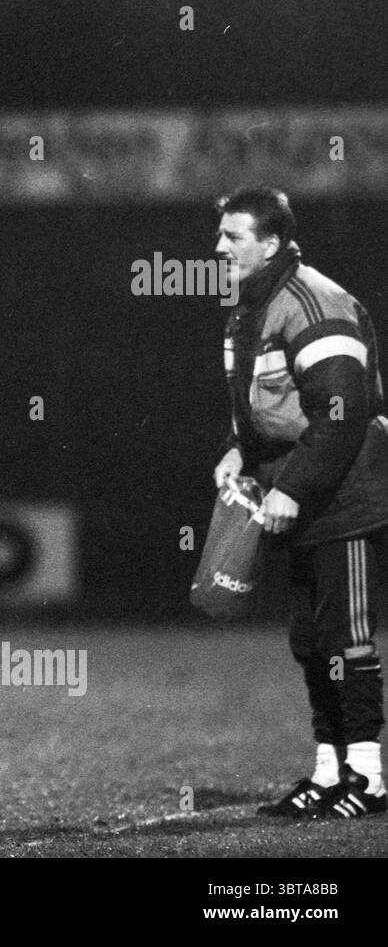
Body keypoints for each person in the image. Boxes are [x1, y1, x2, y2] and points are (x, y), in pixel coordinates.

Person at [210, 188, 388, 818]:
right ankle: (328, 769)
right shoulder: (251, 307)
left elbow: (343, 415)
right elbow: (263, 403)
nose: (219, 245)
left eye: (233, 236)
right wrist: (238, 448)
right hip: (299, 493)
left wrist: (292, 488)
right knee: (311, 639)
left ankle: (367, 776)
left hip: (341, 496)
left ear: (273, 242)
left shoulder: (316, 301)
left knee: (347, 636)